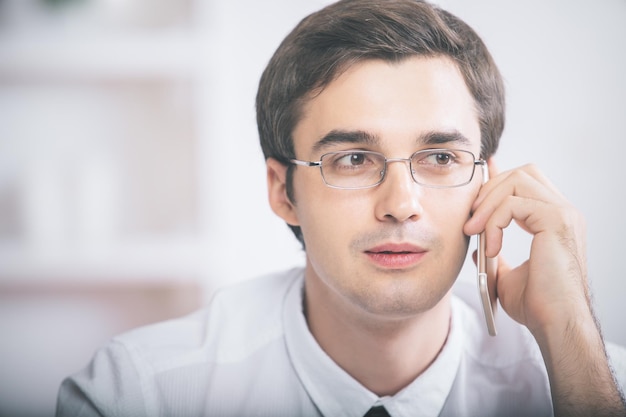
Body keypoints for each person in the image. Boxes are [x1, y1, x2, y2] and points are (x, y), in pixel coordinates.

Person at [56, 0, 626, 416]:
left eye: (440, 158)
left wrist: (570, 330)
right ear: (283, 192)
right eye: (353, 159)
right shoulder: (135, 394)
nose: (401, 205)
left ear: (489, 185)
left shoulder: (592, 382)